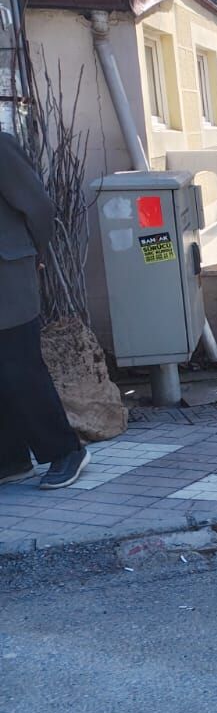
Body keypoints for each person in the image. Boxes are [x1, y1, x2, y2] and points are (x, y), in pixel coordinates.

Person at [0, 130, 89, 489]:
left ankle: (66, 450)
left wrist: (33, 252)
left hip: (7, 275)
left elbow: (38, 206)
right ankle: (11, 459)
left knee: (20, 368)